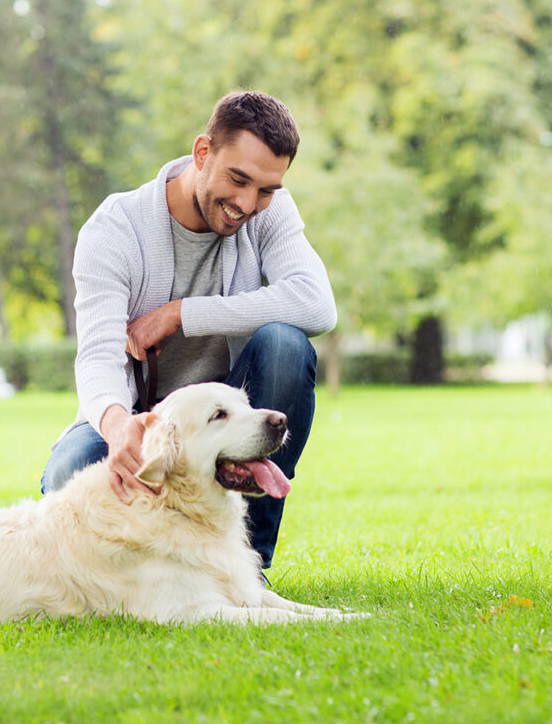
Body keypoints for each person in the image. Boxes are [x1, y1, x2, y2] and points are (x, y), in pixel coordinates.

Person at [41, 91, 336, 570]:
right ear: (203, 153)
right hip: (137, 415)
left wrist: (183, 313)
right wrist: (120, 430)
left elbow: (318, 305)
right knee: (68, 474)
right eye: (238, 179)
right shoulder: (115, 229)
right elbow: (97, 358)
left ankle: (247, 567)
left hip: (225, 421)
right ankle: (145, 571)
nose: (247, 203)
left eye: (265, 189)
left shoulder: (271, 211)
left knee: (286, 344)